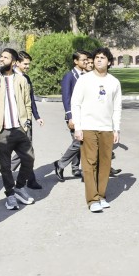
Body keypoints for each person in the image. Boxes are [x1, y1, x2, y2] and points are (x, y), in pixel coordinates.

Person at [71, 48, 122, 212]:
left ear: (109, 62)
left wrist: (116, 129)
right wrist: (78, 127)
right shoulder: (84, 80)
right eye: (97, 57)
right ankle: (92, 199)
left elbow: (117, 107)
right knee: (89, 163)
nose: (99, 60)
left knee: (105, 164)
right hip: (88, 127)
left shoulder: (114, 82)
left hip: (106, 128)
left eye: (103, 58)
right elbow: (75, 103)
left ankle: (101, 195)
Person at [0, 48, 37, 211]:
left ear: (14, 62)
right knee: (5, 166)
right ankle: (10, 195)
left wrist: (27, 123)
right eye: (1, 56)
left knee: (29, 159)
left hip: (20, 129)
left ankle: (19, 187)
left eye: (5, 57)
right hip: (2, 130)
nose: (1, 59)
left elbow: (27, 103)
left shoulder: (21, 80)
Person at [53, 50, 88, 181]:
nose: (86, 62)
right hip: (74, 116)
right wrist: (70, 117)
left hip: (85, 115)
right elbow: (66, 98)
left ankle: (75, 168)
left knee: (78, 142)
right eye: (83, 60)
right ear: (75, 61)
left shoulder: (86, 75)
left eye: (86, 59)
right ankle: (60, 164)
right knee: (79, 142)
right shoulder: (69, 76)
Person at [11, 51, 43, 189]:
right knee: (25, 150)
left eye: (29, 64)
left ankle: (30, 179)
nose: (27, 66)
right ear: (17, 63)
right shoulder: (10, 77)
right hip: (14, 120)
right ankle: (8, 170)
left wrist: (37, 116)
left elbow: (30, 100)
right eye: (25, 64)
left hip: (26, 120)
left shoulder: (27, 78)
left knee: (27, 149)